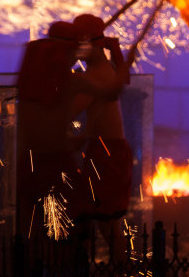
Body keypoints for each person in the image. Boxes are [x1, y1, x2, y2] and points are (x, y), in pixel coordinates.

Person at [68, 14, 135, 262]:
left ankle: (123, 270)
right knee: (103, 220)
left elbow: (69, 111)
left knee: (109, 224)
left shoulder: (96, 76)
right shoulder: (100, 71)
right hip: (103, 151)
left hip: (108, 155)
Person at [14, 22, 84, 238]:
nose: (76, 58)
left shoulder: (29, 77)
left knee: (31, 230)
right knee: (61, 233)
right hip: (53, 167)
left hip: (27, 164)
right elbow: (110, 88)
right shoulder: (65, 81)